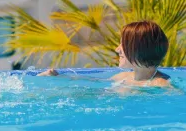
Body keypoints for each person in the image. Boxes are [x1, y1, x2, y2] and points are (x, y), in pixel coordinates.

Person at [38, 20, 171, 88]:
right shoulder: (123, 77)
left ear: (137, 49)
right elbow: (94, 83)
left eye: (123, 45)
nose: (117, 49)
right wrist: (59, 78)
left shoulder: (160, 84)